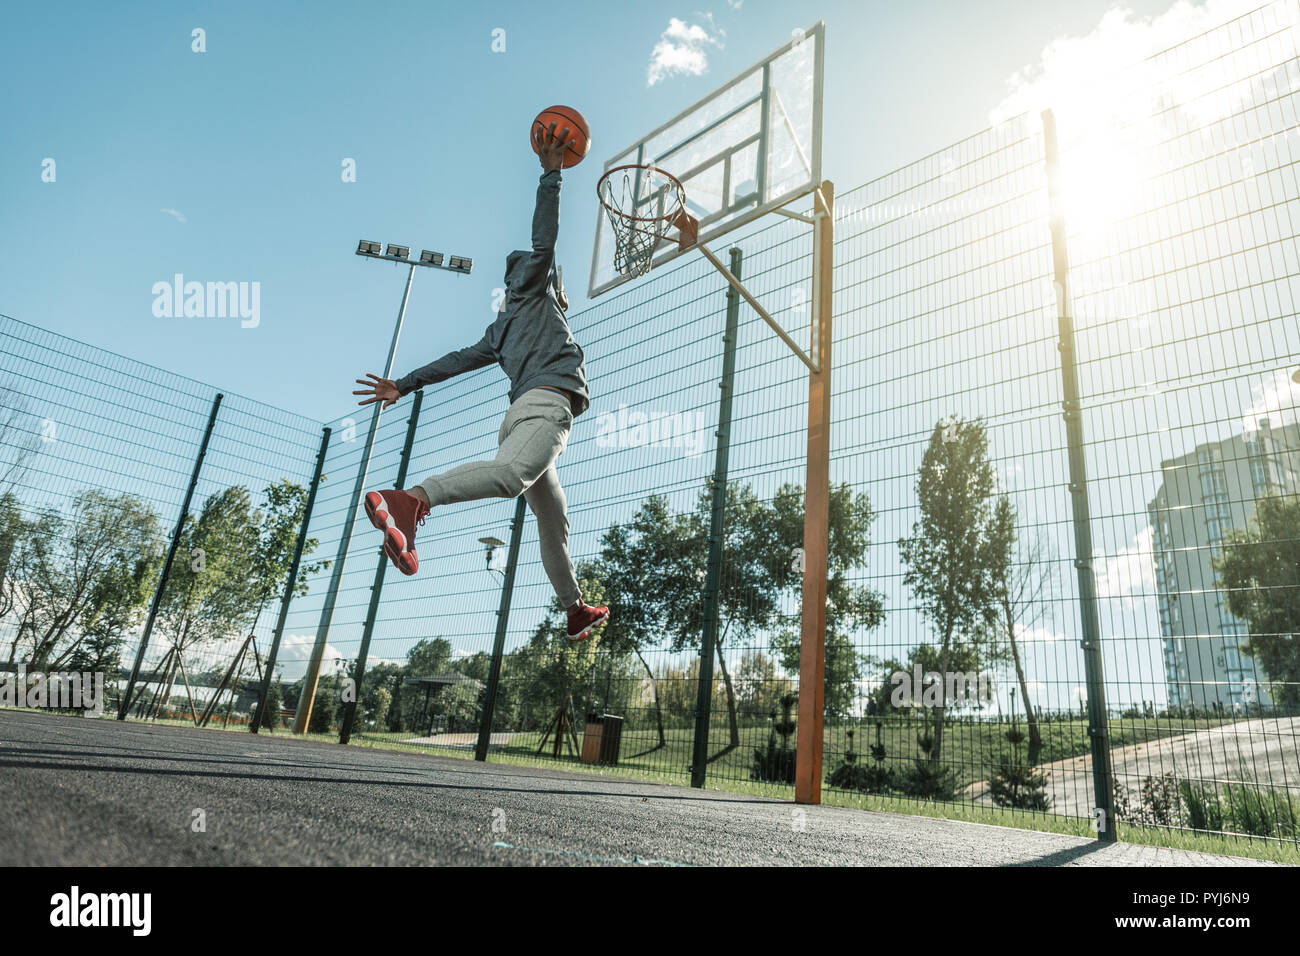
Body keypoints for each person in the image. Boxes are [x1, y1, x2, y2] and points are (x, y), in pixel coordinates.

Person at [353, 123, 609, 643]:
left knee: (553, 519)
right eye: (544, 274)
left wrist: (402, 384)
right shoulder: (533, 295)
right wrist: (551, 177)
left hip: (520, 417)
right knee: (511, 477)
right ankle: (410, 500)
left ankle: (574, 607)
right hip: (545, 409)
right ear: (527, 280)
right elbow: (545, 239)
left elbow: (454, 360)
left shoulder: (499, 330)